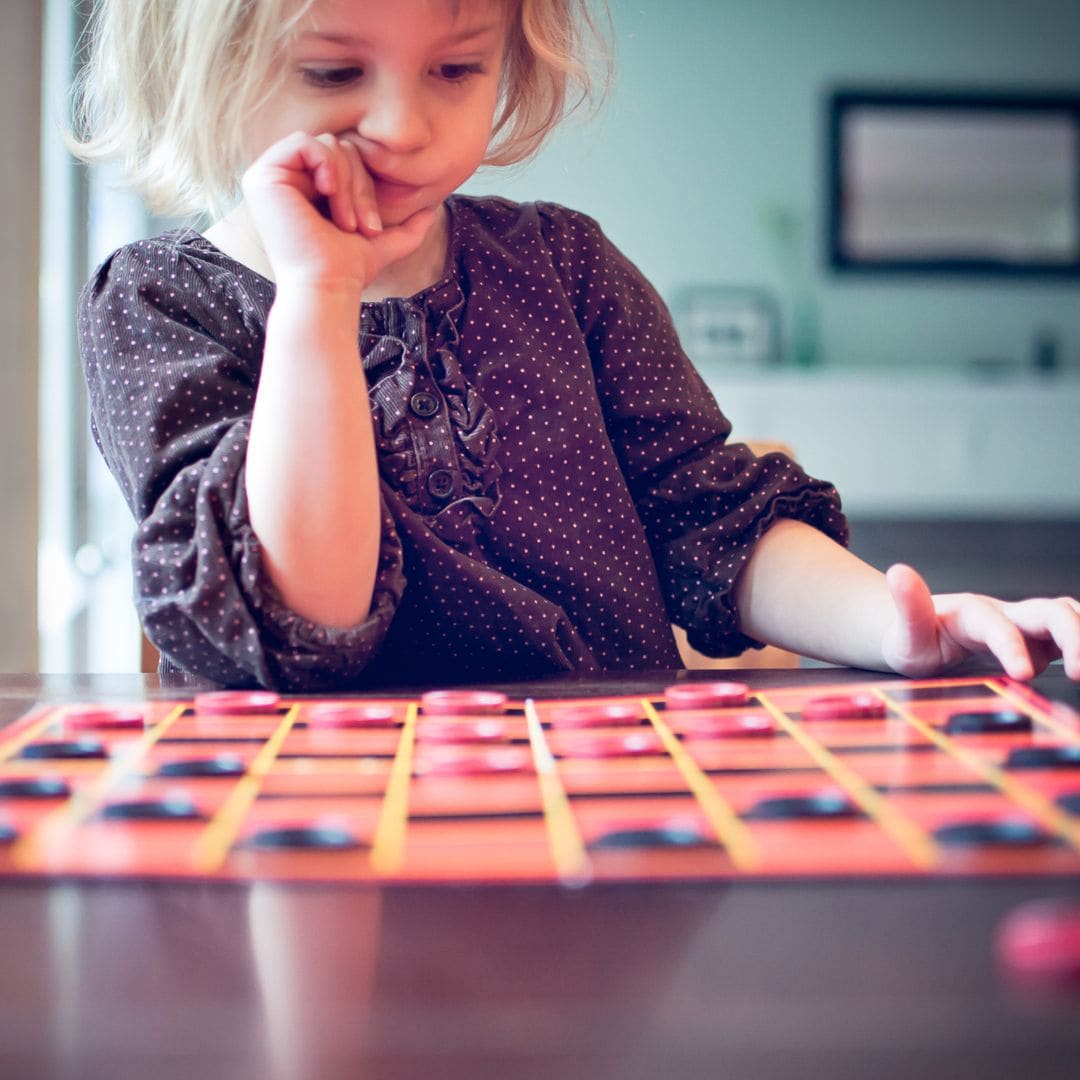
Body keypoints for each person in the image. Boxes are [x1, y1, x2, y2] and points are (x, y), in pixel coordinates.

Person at [72, 0, 1079, 690]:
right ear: (200, 67)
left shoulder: (565, 267)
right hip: (314, 838)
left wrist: (899, 626)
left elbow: (713, 521)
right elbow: (312, 610)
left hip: (602, 821)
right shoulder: (162, 304)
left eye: (457, 67)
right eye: (335, 70)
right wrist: (320, 292)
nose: (405, 123)